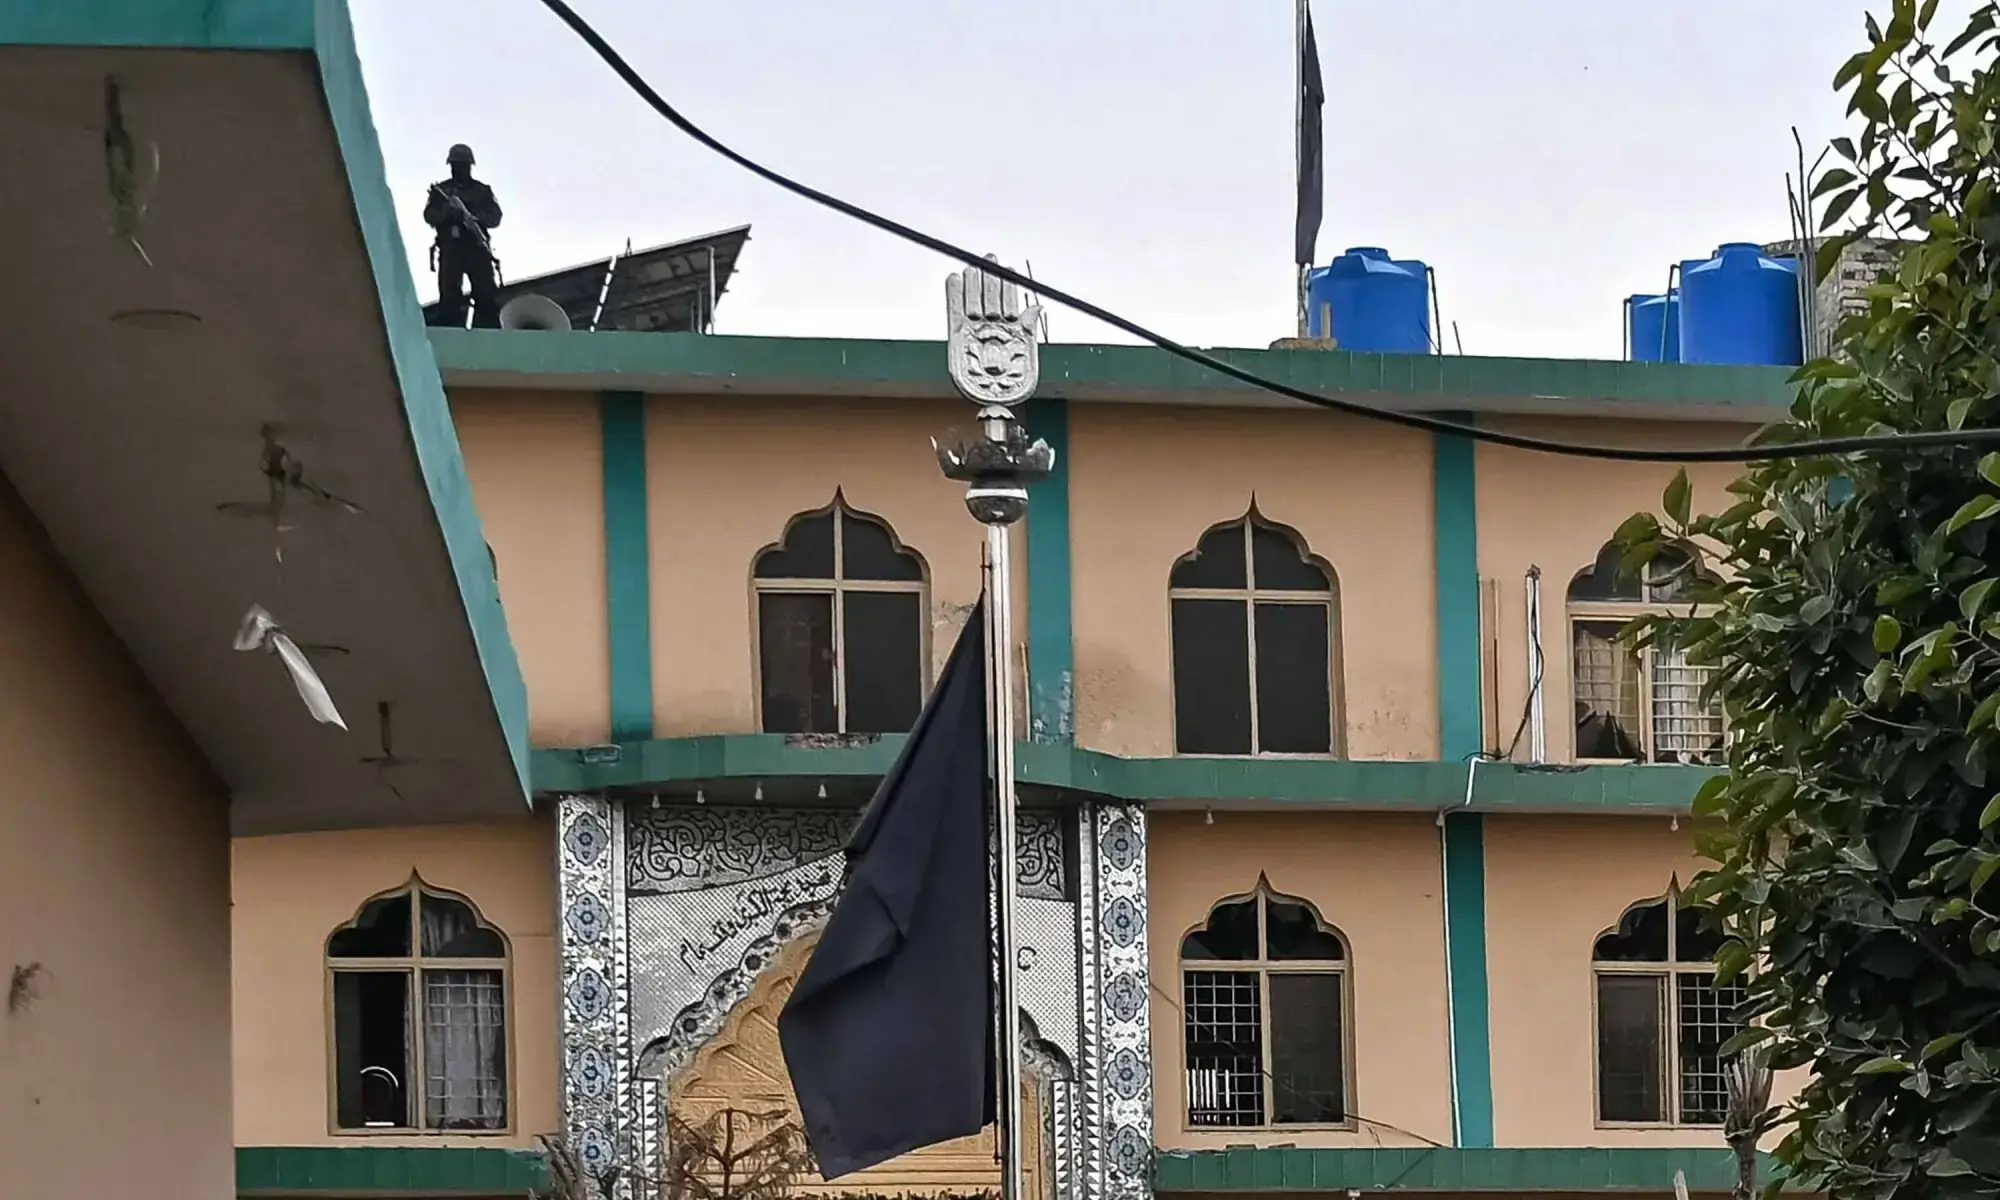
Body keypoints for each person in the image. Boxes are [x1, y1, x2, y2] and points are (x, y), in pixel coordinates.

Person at [424, 144, 503, 328]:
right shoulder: (441, 191)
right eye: (455, 165)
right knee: (449, 297)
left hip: (476, 249)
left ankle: (489, 333)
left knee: (485, 295)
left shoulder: (482, 191)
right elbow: (430, 215)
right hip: (451, 250)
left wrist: (475, 218)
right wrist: (447, 213)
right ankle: (452, 333)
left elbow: (495, 217)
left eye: (463, 165)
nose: (458, 169)